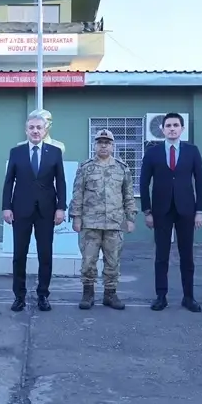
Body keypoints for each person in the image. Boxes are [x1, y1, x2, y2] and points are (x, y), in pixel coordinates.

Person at [139, 112, 202, 312]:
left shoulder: (192, 151)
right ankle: (161, 296)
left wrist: (200, 210)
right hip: (161, 210)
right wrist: (147, 211)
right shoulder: (153, 152)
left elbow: (200, 181)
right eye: (168, 125)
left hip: (187, 210)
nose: (172, 128)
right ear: (162, 129)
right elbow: (143, 183)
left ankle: (188, 297)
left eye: (176, 125)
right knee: (161, 255)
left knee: (187, 255)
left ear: (182, 129)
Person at [1, 113, 67, 312]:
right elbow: (8, 181)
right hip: (21, 210)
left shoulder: (55, 152)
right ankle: (19, 296)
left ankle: (43, 296)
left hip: (46, 212)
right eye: (32, 127)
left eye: (39, 127)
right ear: (26, 130)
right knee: (19, 255)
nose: (35, 131)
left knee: (45, 255)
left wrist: (61, 207)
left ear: (46, 129)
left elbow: (61, 182)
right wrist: (6, 206)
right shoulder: (16, 152)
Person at [71, 128, 137, 310]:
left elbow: (128, 195)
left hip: (114, 224)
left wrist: (130, 218)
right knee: (88, 261)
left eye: (107, 143)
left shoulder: (122, 168)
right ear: (95, 145)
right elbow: (77, 194)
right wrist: (76, 218)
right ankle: (88, 293)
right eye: (100, 142)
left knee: (113, 261)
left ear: (113, 146)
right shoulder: (86, 168)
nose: (103, 145)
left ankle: (110, 294)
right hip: (90, 223)